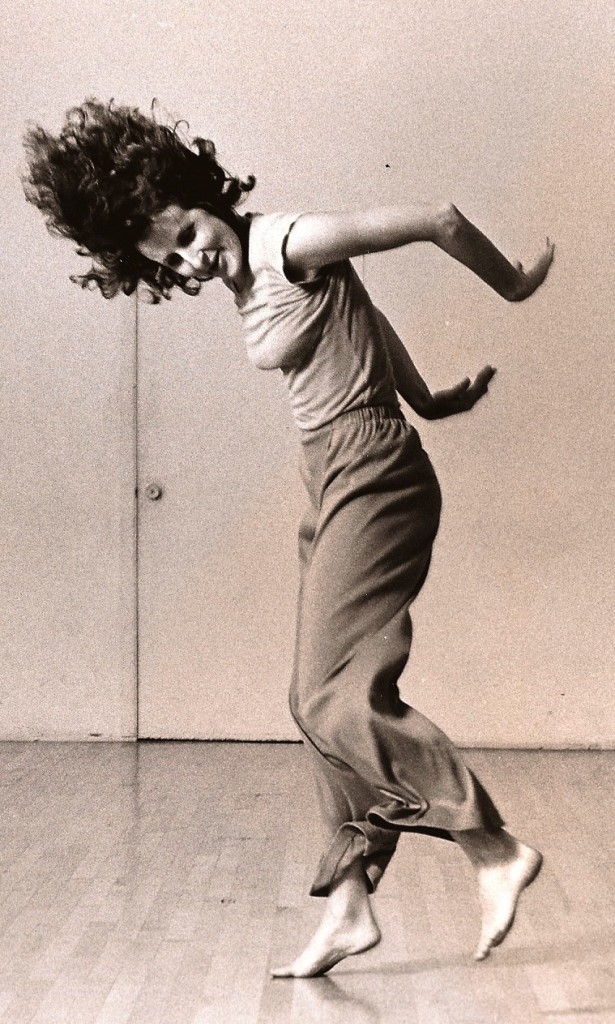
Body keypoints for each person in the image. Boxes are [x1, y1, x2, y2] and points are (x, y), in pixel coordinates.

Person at [23, 99, 554, 978]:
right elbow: (361, 317)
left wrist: (512, 286)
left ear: (196, 193)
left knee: (329, 699)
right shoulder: (247, 275)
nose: (193, 260)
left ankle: (490, 846)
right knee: (312, 701)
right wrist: (429, 399)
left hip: (372, 473)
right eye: (171, 262)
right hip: (332, 471)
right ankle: (347, 902)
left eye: (190, 233)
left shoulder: (284, 241)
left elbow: (437, 219)